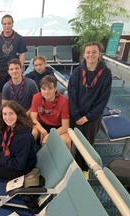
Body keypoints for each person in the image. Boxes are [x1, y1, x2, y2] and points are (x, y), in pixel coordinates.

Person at [68, 42, 112, 175]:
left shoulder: (106, 73)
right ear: (84, 54)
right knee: (74, 142)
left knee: (87, 143)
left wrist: (88, 117)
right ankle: (72, 168)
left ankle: (84, 170)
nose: (91, 54)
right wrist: (76, 115)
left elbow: (103, 100)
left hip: (92, 116)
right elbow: (72, 94)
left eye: (94, 52)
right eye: (88, 52)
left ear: (99, 54)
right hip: (76, 113)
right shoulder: (77, 72)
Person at [0, 100, 37, 184]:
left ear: (17, 114)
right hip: (7, 157)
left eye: (11, 113)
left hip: (20, 169)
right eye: (5, 114)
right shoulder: (8, 127)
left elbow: (19, 165)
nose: (8, 118)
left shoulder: (24, 137)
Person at [0, 14, 27, 107]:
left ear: (12, 24)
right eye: (5, 24)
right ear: (2, 25)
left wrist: (20, 68)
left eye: (9, 23)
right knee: (0, 91)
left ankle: (14, 109)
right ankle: (1, 110)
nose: (7, 26)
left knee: (15, 90)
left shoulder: (19, 38)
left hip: (14, 69)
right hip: (1, 69)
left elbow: (22, 54)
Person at [30, 75, 71, 149]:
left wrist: (49, 135)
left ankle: (66, 160)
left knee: (66, 140)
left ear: (55, 89)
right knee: (33, 133)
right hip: (41, 124)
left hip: (57, 127)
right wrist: (42, 131)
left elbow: (65, 127)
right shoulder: (36, 97)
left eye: (50, 88)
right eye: (43, 89)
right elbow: (33, 119)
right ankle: (30, 155)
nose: (46, 92)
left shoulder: (63, 101)